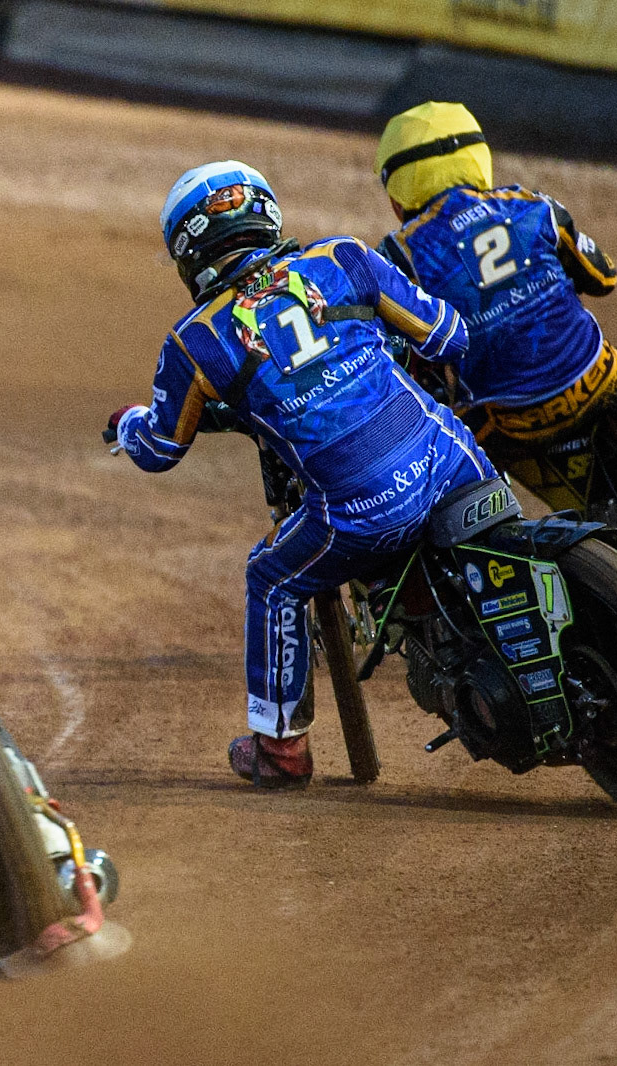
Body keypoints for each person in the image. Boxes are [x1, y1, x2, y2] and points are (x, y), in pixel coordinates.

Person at [108, 161, 492, 788]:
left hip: (363, 512)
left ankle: (282, 753)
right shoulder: (344, 257)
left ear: (188, 250)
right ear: (267, 214)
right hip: (453, 461)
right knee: (485, 492)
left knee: (271, 577)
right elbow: (448, 336)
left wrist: (127, 426)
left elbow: (157, 449)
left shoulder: (196, 340)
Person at [374, 101, 617, 513]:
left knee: (439, 505)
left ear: (397, 194)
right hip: (598, 377)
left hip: (508, 422)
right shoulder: (532, 204)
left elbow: (403, 361)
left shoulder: (399, 253)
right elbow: (604, 279)